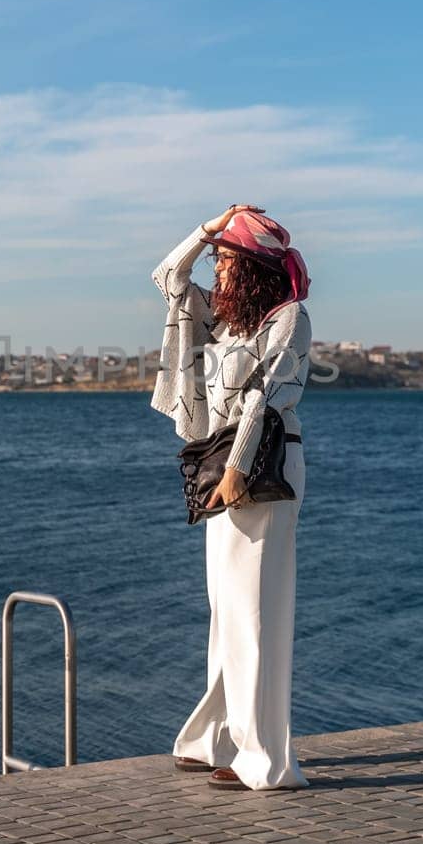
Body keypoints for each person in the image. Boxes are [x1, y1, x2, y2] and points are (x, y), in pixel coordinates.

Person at [151, 203, 312, 791]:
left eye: (225, 258)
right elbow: (167, 277)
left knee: (256, 612)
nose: (216, 266)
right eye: (218, 258)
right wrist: (209, 228)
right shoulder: (225, 322)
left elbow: (266, 398)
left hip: (261, 466)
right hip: (225, 466)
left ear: (251, 267)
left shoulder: (287, 319)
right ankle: (213, 737)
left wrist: (238, 469)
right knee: (226, 609)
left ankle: (267, 760)